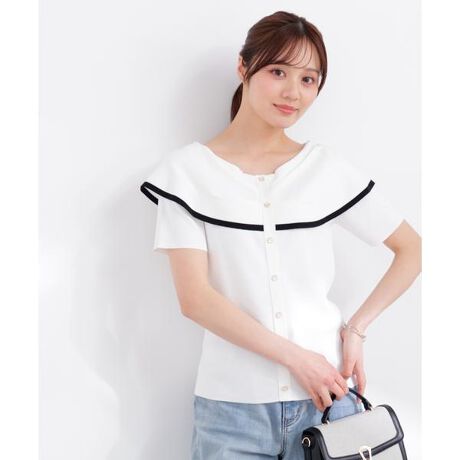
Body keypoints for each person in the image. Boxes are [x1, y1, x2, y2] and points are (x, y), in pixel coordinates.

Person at [140, 10, 421, 460]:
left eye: (309, 79)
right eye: (278, 72)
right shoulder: (185, 174)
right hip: (231, 413)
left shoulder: (325, 169)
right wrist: (297, 358)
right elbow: (195, 299)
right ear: (243, 67)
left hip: (330, 404)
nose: (293, 92)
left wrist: (357, 329)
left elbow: (412, 249)